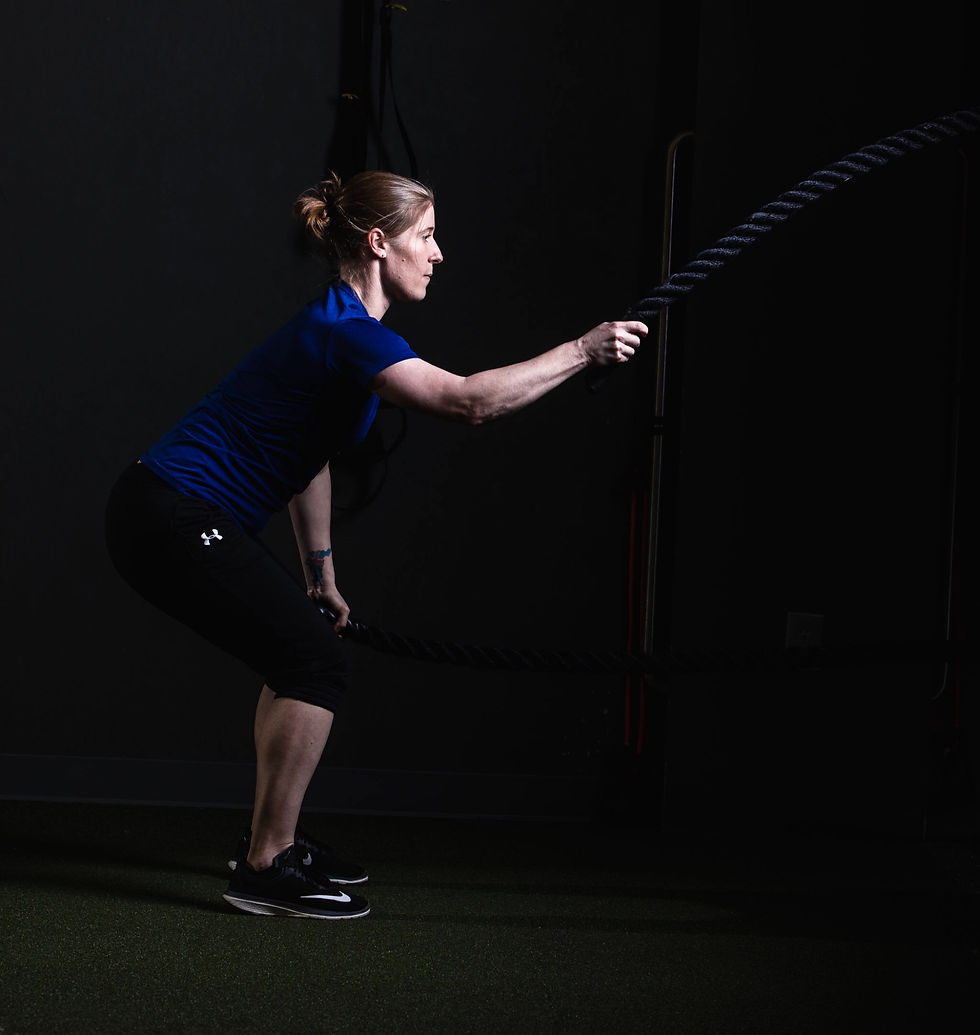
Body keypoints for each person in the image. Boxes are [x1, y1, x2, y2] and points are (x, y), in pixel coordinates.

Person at [104, 169, 648, 919]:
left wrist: (319, 574)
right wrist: (583, 350)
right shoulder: (349, 333)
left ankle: (271, 841)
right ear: (378, 242)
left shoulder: (346, 330)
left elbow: (312, 458)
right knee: (312, 662)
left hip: (168, 511)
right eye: (426, 236)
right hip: (166, 511)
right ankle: (265, 865)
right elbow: (469, 403)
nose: (439, 253)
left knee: (296, 653)